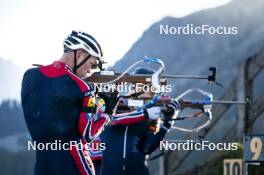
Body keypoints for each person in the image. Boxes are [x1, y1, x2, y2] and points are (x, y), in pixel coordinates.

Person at [21, 31, 117, 175]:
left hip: (42, 164)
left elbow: (54, 109)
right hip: (75, 165)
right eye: (91, 64)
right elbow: (89, 135)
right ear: (79, 54)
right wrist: (108, 112)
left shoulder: (29, 75)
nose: (89, 71)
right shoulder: (83, 88)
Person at [89, 68, 181, 175]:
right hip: (107, 167)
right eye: (148, 85)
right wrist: (144, 114)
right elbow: (110, 120)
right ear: (135, 85)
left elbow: (147, 147)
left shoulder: (151, 113)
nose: (153, 91)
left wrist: (167, 122)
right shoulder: (114, 102)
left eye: (155, 87)